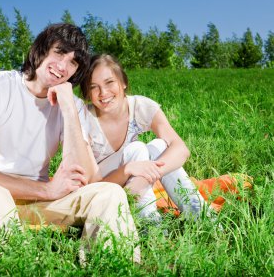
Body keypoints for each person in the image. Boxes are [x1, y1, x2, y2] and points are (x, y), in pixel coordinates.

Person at [0, 24, 139, 260]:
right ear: (41, 49)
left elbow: (84, 177)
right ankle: (22, 264)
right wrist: (48, 189)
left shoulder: (71, 104)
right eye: (59, 52)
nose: (63, 66)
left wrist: (69, 108)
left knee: (109, 193)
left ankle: (113, 265)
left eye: (73, 62)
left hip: (39, 204)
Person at [80, 54, 207, 222]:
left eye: (109, 82)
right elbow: (93, 186)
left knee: (160, 146)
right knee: (137, 148)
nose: (103, 93)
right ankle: (150, 226)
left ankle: (201, 217)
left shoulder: (141, 106)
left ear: (123, 82)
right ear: (87, 92)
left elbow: (181, 149)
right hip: (102, 191)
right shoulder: (83, 119)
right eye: (94, 87)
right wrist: (127, 170)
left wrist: (145, 177)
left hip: (135, 186)